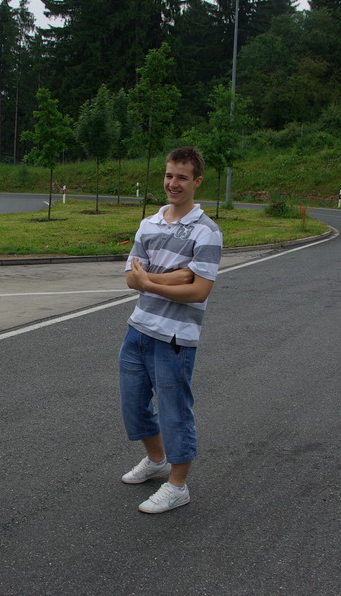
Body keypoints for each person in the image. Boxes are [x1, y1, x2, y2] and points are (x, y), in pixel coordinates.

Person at [119, 146, 223, 513]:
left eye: (182, 177)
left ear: (197, 182)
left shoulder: (207, 232)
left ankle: (178, 485)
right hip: (138, 328)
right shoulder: (149, 223)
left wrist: (150, 281)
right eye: (168, 175)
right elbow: (131, 277)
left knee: (174, 411)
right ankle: (157, 460)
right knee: (133, 405)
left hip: (176, 338)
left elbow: (198, 291)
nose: (173, 183)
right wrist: (176, 275)